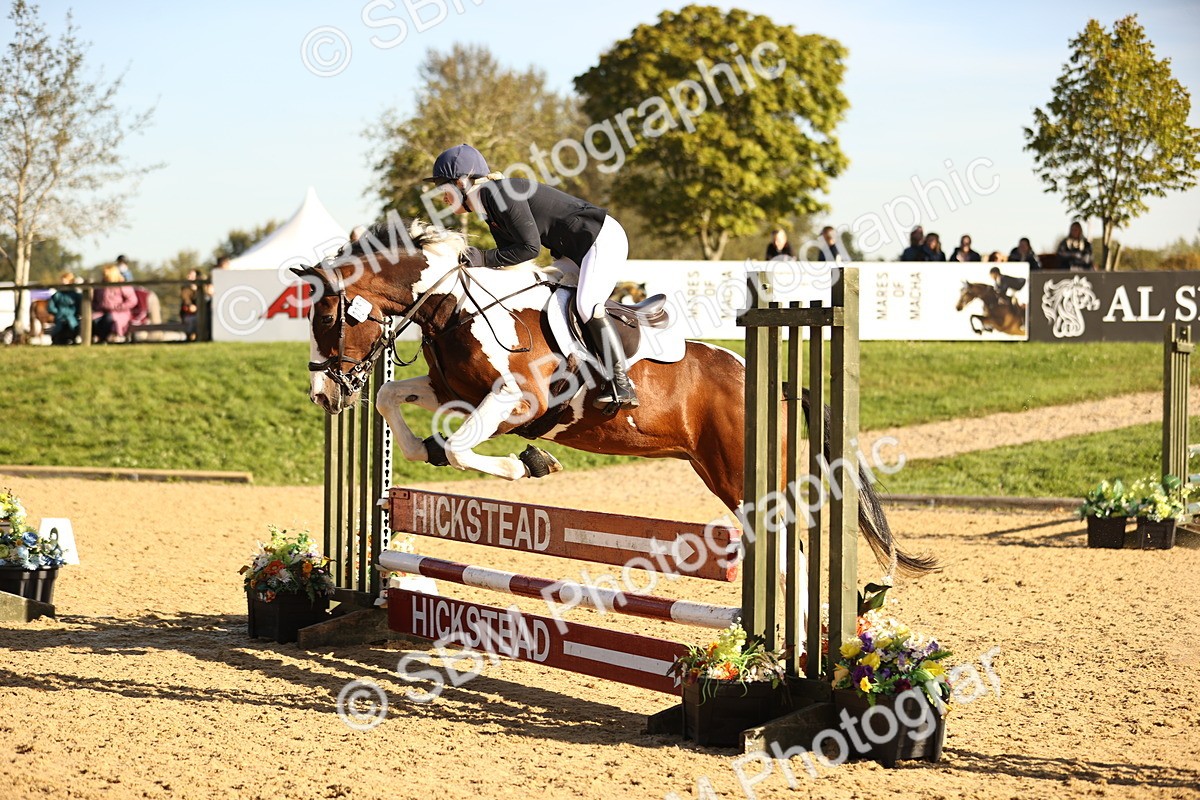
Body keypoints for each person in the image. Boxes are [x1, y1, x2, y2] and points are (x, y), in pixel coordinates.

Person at [426, 143, 637, 410]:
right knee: (547, 296)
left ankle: (622, 383)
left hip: (600, 240)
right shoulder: (488, 206)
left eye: (443, 188)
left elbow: (528, 249)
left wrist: (482, 257)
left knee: (587, 305)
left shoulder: (497, 194)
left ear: (461, 182)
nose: (442, 197)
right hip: (572, 251)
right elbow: (507, 255)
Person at [92, 263, 138, 342]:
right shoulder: (100, 287)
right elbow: (94, 301)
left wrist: (119, 307)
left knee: (108, 319)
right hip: (102, 312)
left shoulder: (122, 285)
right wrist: (97, 307)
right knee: (93, 320)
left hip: (119, 313)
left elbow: (132, 300)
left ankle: (104, 338)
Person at [48, 272, 81, 345]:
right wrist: (58, 312)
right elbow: (51, 307)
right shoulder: (57, 295)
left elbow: (80, 308)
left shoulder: (75, 295)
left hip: (72, 317)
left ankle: (72, 337)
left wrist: (75, 313)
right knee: (60, 326)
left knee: (72, 324)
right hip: (60, 317)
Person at [180, 270, 201, 342]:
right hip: (189, 314)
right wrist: (190, 306)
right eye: (189, 275)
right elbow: (186, 301)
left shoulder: (201, 288)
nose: (189, 277)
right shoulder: (185, 289)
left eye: (191, 275)